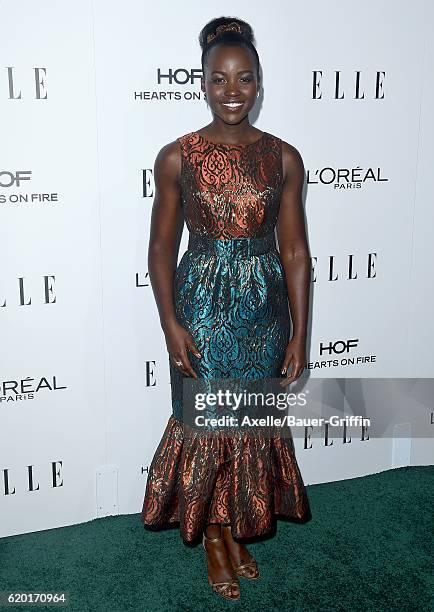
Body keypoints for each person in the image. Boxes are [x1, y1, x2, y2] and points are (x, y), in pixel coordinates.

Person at [141, 16, 312, 601]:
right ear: (204, 84)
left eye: (244, 78)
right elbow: (162, 246)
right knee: (208, 423)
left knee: (249, 422)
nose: (232, 90)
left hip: (265, 306)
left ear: (259, 83)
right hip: (204, 303)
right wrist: (170, 323)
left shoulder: (285, 158)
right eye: (219, 79)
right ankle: (214, 539)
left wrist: (298, 333)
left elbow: (294, 249)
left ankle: (237, 531)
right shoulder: (177, 157)